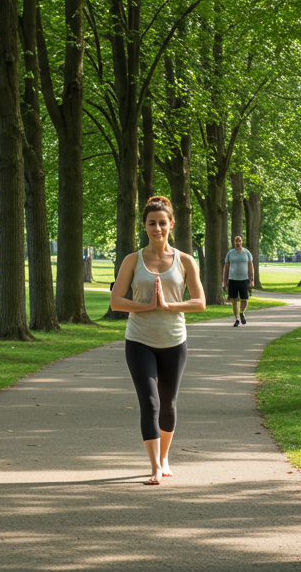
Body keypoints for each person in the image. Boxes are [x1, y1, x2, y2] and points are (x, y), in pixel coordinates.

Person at [109, 195, 206, 485]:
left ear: (171, 225)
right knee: (150, 403)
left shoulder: (185, 260)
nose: (157, 228)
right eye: (152, 223)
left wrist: (169, 306)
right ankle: (154, 466)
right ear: (145, 226)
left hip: (174, 341)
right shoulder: (132, 260)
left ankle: (165, 457)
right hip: (139, 340)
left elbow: (200, 302)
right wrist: (146, 306)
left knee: (168, 403)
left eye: (162, 223)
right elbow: (116, 301)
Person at [224, 235, 255, 326]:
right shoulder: (230, 253)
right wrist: (224, 281)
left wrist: (252, 279)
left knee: (244, 299)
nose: (238, 243)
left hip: (244, 279)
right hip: (232, 279)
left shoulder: (247, 253)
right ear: (234, 242)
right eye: (236, 241)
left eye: (239, 241)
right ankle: (237, 319)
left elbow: (251, 267)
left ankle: (241, 312)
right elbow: (226, 268)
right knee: (233, 299)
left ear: (242, 242)